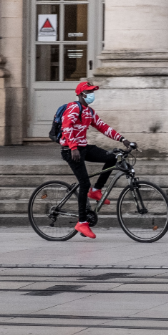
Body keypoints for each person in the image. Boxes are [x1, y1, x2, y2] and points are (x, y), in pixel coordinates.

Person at [60, 82, 132, 239]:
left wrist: (123, 139)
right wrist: (73, 148)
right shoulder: (74, 108)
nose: (92, 94)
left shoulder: (89, 112)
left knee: (112, 157)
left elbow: (103, 127)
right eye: (89, 91)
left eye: (92, 91)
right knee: (84, 183)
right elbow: (66, 127)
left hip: (83, 148)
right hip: (71, 151)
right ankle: (82, 222)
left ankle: (96, 190)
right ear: (80, 94)